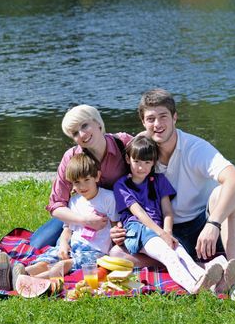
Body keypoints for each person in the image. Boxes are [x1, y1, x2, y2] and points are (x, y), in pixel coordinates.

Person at [110, 88, 235, 300]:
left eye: (163, 116)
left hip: (202, 226)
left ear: (175, 117)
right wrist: (116, 227)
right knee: (117, 254)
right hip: (163, 230)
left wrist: (213, 225)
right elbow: (125, 189)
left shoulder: (195, 148)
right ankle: (205, 268)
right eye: (151, 119)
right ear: (143, 123)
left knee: (225, 193)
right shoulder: (142, 151)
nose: (157, 124)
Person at [29, 105, 155, 258]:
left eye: (84, 125)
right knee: (37, 244)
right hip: (83, 212)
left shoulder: (123, 143)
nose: (82, 134)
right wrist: (84, 220)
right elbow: (56, 205)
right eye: (75, 133)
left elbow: (147, 159)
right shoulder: (72, 158)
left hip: (121, 213)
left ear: (98, 123)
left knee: (128, 248)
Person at [113, 134, 228, 294]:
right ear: (128, 159)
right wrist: (161, 233)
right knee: (169, 255)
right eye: (137, 162)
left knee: (180, 251)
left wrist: (167, 232)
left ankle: (206, 278)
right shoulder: (122, 185)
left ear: (153, 162)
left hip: (158, 230)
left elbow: (167, 211)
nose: (141, 167)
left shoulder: (158, 180)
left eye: (147, 162)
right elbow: (138, 213)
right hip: (138, 230)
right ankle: (192, 286)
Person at [22, 153, 119, 279]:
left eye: (87, 180)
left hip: (95, 251)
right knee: (49, 257)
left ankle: (35, 280)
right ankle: (23, 272)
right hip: (73, 246)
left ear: (97, 176)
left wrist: (115, 253)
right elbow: (67, 229)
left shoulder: (108, 199)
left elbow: (115, 227)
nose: (82, 186)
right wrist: (63, 244)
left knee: (66, 264)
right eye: (77, 182)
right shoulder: (74, 201)